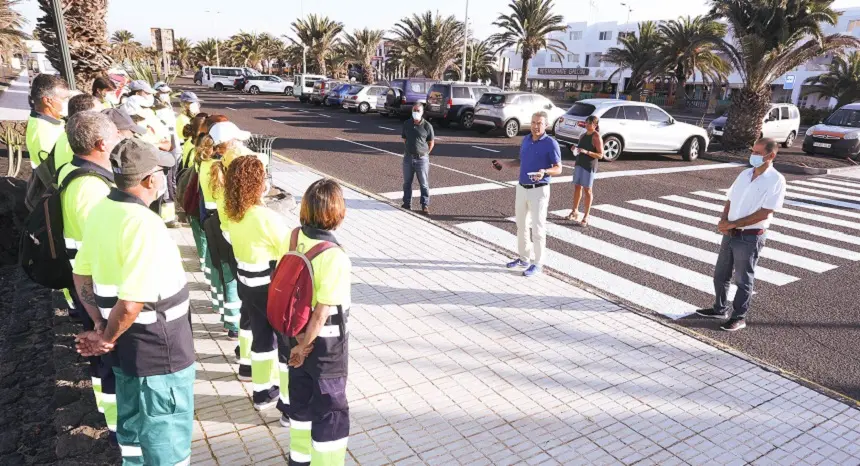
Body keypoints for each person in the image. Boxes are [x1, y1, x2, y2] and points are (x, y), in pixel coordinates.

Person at [73, 138, 194, 465]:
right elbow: (131, 303)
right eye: (161, 171)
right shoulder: (145, 225)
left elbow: (81, 275)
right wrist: (105, 339)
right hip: (159, 353)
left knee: (133, 431)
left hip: (126, 352)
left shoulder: (102, 210)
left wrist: (100, 326)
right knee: (167, 437)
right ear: (149, 180)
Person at [57, 111, 121, 443]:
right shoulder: (92, 188)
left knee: (101, 360)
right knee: (108, 357)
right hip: (98, 289)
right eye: (114, 138)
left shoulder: (73, 171)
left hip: (88, 286)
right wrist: (99, 315)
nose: (118, 143)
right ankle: (116, 427)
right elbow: (99, 253)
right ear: (100, 144)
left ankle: (107, 411)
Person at [287, 179, 351, 466]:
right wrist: (305, 346)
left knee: (300, 403)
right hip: (324, 347)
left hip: (293, 332)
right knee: (330, 411)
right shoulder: (334, 256)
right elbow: (322, 311)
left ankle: (298, 459)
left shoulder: (294, 237)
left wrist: (296, 344)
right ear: (337, 212)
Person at [696, 138, 786, 331]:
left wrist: (733, 223)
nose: (753, 156)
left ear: (771, 155)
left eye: (757, 153)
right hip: (730, 232)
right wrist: (723, 221)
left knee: (743, 279)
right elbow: (730, 199)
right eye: (752, 151)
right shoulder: (745, 174)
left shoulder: (776, 180)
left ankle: (739, 316)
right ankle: (719, 308)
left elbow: (765, 212)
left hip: (750, 236)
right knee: (721, 274)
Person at [223, 156, 289, 414]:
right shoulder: (265, 217)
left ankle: (262, 391)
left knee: (261, 338)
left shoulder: (233, 213)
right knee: (284, 344)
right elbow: (288, 250)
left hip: (246, 282)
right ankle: (286, 399)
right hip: (270, 285)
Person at [493, 111, 563, 277]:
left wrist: (545, 172)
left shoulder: (551, 143)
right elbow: (521, 161)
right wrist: (505, 164)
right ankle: (524, 258)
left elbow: (559, 168)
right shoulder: (526, 140)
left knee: (538, 229)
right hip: (522, 187)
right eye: (533, 122)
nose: (535, 126)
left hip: (539, 189)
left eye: (539, 123)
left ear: (546, 125)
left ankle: (537, 263)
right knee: (521, 225)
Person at [26, 74, 70, 170]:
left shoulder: (50, 121)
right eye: (64, 98)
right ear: (47, 101)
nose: (68, 101)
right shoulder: (43, 134)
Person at [566, 115, 604, 227]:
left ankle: (586, 216)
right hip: (579, 163)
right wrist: (575, 149)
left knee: (588, 190)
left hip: (589, 165)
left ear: (595, 125)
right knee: (577, 186)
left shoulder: (596, 137)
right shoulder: (582, 135)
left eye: (590, 123)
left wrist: (587, 152)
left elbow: (600, 155)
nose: (587, 124)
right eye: (586, 122)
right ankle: (575, 211)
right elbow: (580, 149)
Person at [401, 102, 434, 216]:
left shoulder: (427, 126)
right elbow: (405, 139)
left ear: (422, 112)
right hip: (408, 158)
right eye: (414, 110)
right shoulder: (407, 123)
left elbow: (431, 142)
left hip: (422, 159)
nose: (415, 113)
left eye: (418, 111)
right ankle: (406, 203)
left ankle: (425, 205)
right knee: (407, 183)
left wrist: (424, 153)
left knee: (423, 183)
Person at [53, 93, 101, 172]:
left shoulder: (67, 135)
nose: (105, 118)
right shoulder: (82, 143)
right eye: (99, 115)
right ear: (85, 118)